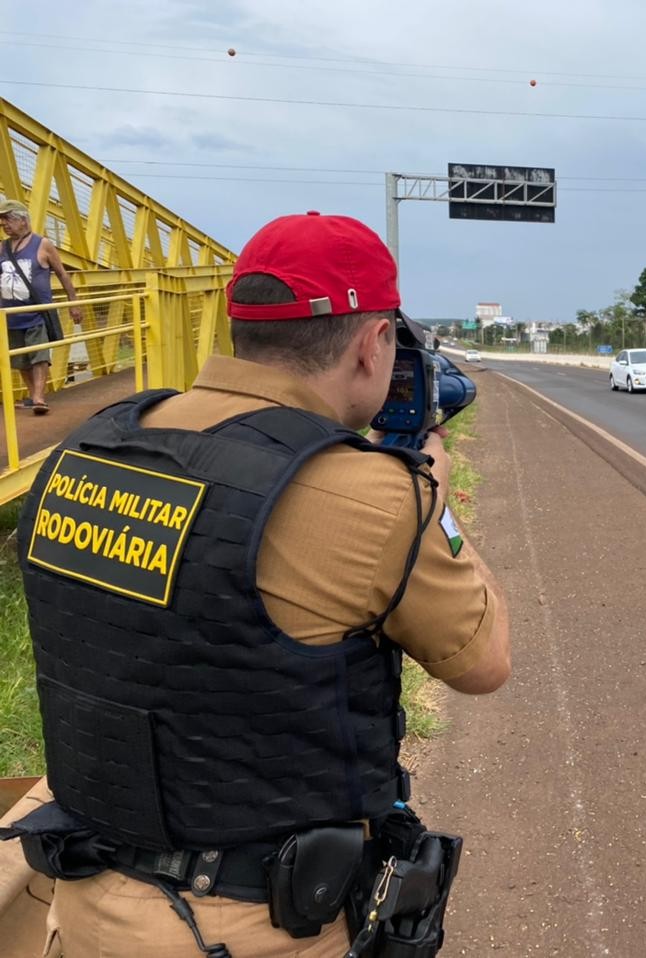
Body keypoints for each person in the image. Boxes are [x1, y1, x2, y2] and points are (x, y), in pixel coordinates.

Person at [3, 212, 511, 957]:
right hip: (250, 926)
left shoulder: (90, 448)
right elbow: (484, 662)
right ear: (373, 344)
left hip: (82, 896)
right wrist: (431, 497)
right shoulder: (371, 496)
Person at [0, 199, 83, 414]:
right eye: (2, 221)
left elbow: (63, 274)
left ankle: (39, 396)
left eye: (7, 219)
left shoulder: (42, 244)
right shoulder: (3, 247)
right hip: (10, 314)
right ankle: (33, 395)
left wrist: (73, 303)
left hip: (37, 313)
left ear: (23, 220)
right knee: (21, 359)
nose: (4, 224)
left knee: (39, 355)